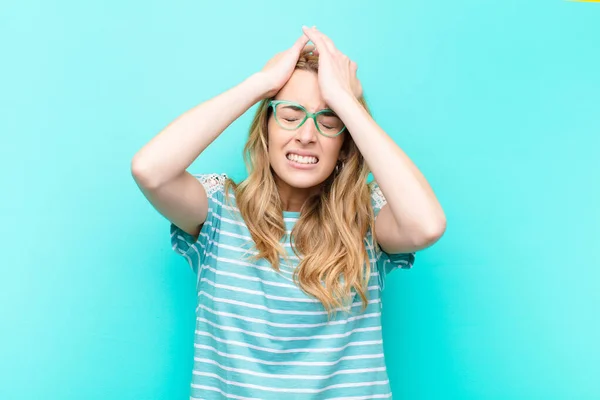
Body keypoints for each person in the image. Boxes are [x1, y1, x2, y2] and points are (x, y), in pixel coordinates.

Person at [132, 25, 445, 400]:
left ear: (346, 144)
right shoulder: (219, 212)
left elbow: (427, 226)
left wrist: (346, 102)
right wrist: (260, 85)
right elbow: (149, 170)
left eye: (327, 121)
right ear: (265, 128)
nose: (307, 135)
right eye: (290, 114)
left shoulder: (369, 219)